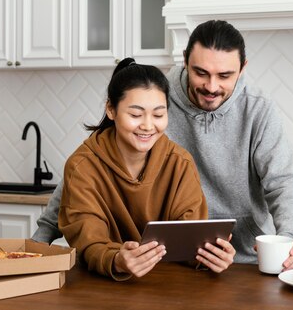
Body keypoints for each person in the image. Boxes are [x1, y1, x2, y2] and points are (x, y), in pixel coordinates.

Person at [34, 20, 293, 271]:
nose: (211, 86)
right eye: (201, 73)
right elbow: (85, 171)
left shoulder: (258, 109)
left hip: (241, 255)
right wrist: (41, 238)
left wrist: (291, 237)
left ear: (242, 68)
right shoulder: (156, 97)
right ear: (185, 61)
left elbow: (283, 182)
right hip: (164, 259)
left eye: (224, 76)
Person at [56, 58, 235, 280]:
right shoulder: (82, 166)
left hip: (172, 287)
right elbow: (88, 243)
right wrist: (116, 260)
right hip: (100, 288)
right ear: (111, 110)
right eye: (135, 115)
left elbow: (191, 240)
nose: (148, 126)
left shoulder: (180, 163)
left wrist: (210, 256)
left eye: (158, 115)